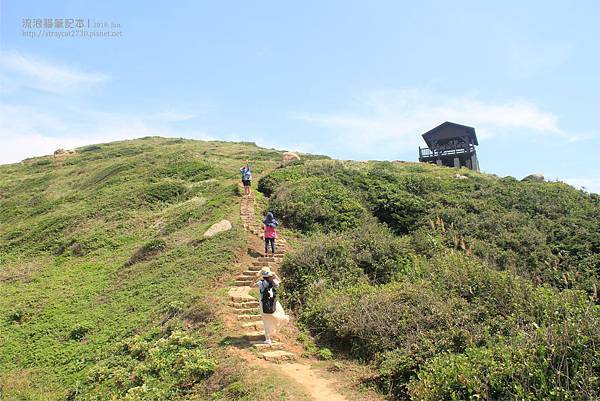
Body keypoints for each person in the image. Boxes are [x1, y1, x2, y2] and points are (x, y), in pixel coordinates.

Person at [256, 267, 289, 345]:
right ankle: (274, 331)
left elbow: (251, 285)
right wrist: (275, 275)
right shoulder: (273, 281)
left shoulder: (261, 283)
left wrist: (255, 277)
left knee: (266, 321)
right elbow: (280, 281)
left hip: (264, 303)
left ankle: (268, 338)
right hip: (274, 302)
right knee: (281, 314)